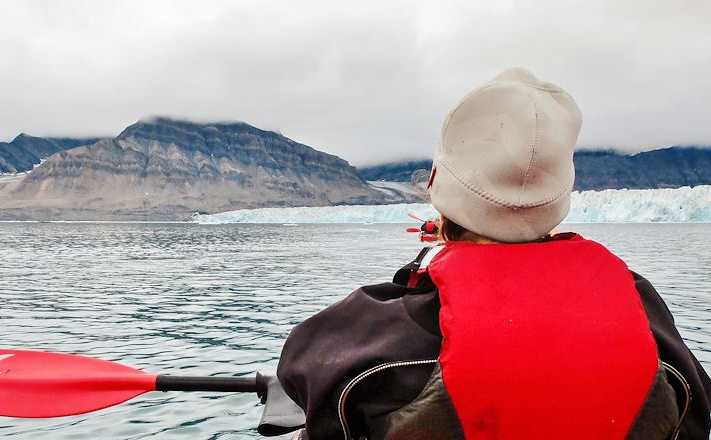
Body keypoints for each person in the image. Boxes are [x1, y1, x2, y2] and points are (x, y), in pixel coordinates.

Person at [275, 68, 711, 439]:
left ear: (440, 190)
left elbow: (303, 377)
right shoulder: (641, 309)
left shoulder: (382, 327)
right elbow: (694, 413)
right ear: (560, 193)